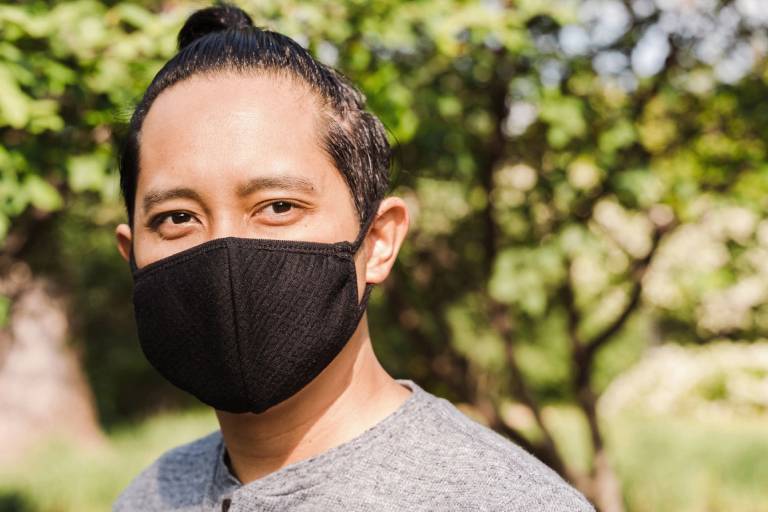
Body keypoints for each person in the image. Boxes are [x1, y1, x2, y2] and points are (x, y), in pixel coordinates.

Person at [112, 4, 594, 511]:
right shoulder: (149, 497)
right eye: (177, 218)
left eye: (278, 206)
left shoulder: (505, 502)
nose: (223, 251)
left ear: (379, 241)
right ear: (132, 256)